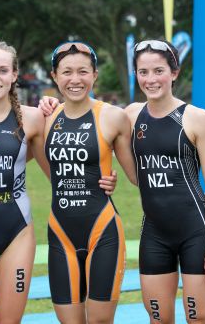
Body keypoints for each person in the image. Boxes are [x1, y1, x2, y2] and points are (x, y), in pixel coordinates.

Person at [40, 39, 205, 324]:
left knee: (199, 317)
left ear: (174, 73)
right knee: (158, 318)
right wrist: (108, 179)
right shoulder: (131, 115)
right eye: (143, 72)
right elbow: (105, 148)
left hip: (195, 231)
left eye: (158, 71)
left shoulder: (197, 118)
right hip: (154, 234)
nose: (151, 79)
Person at [0, 41, 116, 324]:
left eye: (3, 70)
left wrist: (102, 178)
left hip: (18, 232)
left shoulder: (32, 118)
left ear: (14, 74)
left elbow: (59, 169)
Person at [45, 41, 137, 324]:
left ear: (95, 75)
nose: (75, 80)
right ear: (54, 77)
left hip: (103, 230)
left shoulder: (112, 117)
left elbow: (136, 175)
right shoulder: (45, 117)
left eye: (83, 72)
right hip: (61, 234)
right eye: (67, 72)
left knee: (99, 322)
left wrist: (115, 178)